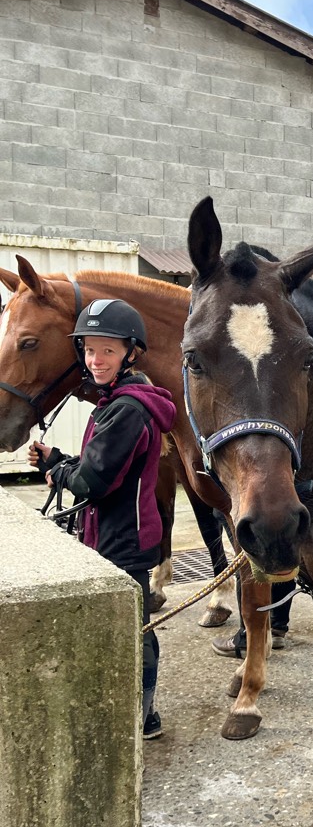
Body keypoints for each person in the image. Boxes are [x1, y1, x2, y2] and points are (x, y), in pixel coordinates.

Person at [28, 299, 177, 740]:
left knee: (134, 631)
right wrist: (58, 459)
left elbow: (93, 483)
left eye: (108, 350)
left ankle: (142, 717)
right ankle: (139, 711)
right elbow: (103, 465)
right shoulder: (117, 402)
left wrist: (57, 470)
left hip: (124, 538)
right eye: (90, 349)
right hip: (115, 532)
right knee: (131, 626)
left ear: (131, 353)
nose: (96, 359)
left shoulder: (127, 409)